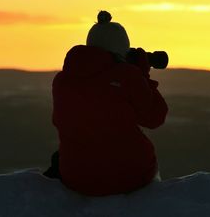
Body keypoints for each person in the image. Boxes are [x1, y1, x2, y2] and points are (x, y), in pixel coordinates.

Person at [44, 11, 168, 196]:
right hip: (130, 176)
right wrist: (143, 76)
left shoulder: (62, 80)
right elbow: (154, 117)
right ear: (122, 49)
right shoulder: (127, 75)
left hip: (77, 177)